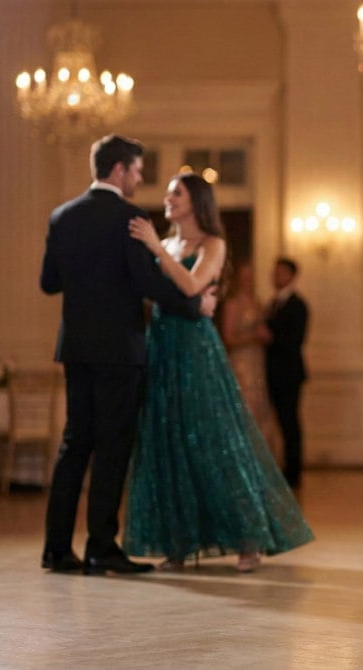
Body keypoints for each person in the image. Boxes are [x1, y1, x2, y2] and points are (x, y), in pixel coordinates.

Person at [39, 134, 216, 576]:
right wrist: (194, 305)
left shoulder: (62, 216)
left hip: (76, 347)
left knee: (74, 445)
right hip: (119, 350)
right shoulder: (130, 217)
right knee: (112, 447)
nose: (139, 178)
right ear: (119, 170)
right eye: (137, 170)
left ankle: (56, 550)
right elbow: (147, 284)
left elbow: (49, 283)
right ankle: (101, 547)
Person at [123, 172, 313, 573]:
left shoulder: (213, 244)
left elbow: (193, 286)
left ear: (197, 201)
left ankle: (247, 539)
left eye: (176, 193)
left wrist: (155, 248)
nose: (168, 199)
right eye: (169, 193)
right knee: (169, 441)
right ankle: (178, 543)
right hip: (162, 345)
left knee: (215, 440)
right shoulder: (167, 244)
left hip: (196, 348)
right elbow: (153, 293)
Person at [219, 262, 286, 463]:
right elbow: (228, 338)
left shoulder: (258, 303)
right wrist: (253, 337)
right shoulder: (232, 304)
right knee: (245, 407)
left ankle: (262, 462)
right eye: (245, 277)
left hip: (259, 362)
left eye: (251, 277)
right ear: (238, 279)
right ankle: (243, 460)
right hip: (242, 363)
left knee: (262, 408)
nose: (248, 281)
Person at [264, 258, 308, 488]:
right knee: (280, 422)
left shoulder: (298, 305)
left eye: (281, 272)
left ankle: (294, 472)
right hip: (273, 372)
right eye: (275, 272)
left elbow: (295, 340)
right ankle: (283, 467)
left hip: (289, 373)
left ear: (291, 276)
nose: (276, 276)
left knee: (290, 422)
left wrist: (270, 337)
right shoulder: (273, 303)